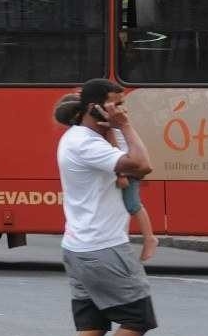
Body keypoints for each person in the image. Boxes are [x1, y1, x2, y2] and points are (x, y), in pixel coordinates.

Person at [55, 79, 156, 336]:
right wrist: (124, 126)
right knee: (138, 318)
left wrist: (114, 128)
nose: (122, 110)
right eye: (116, 104)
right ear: (95, 107)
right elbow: (142, 165)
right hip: (103, 248)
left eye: (123, 105)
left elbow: (126, 167)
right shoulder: (86, 144)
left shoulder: (80, 139)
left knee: (92, 325)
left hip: (79, 246)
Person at [54, 92, 158, 262]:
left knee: (133, 204)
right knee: (127, 205)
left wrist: (121, 174)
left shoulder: (105, 127)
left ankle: (149, 238)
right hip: (123, 164)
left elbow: (120, 152)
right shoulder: (85, 135)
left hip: (125, 165)